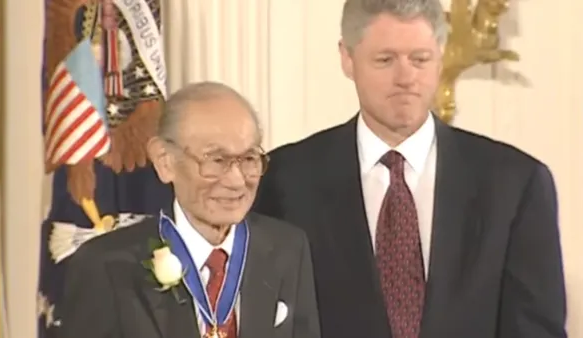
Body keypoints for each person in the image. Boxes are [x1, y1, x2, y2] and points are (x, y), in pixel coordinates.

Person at [252, 0, 567, 337]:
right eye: (385, 60)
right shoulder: (285, 180)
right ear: (347, 58)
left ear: (440, 54)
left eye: (420, 59)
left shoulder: (515, 183)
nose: (406, 78)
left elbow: (536, 329)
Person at [59, 82, 322, 338]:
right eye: (216, 160)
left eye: (249, 159)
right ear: (165, 161)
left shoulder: (287, 248)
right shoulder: (105, 266)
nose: (237, 180)